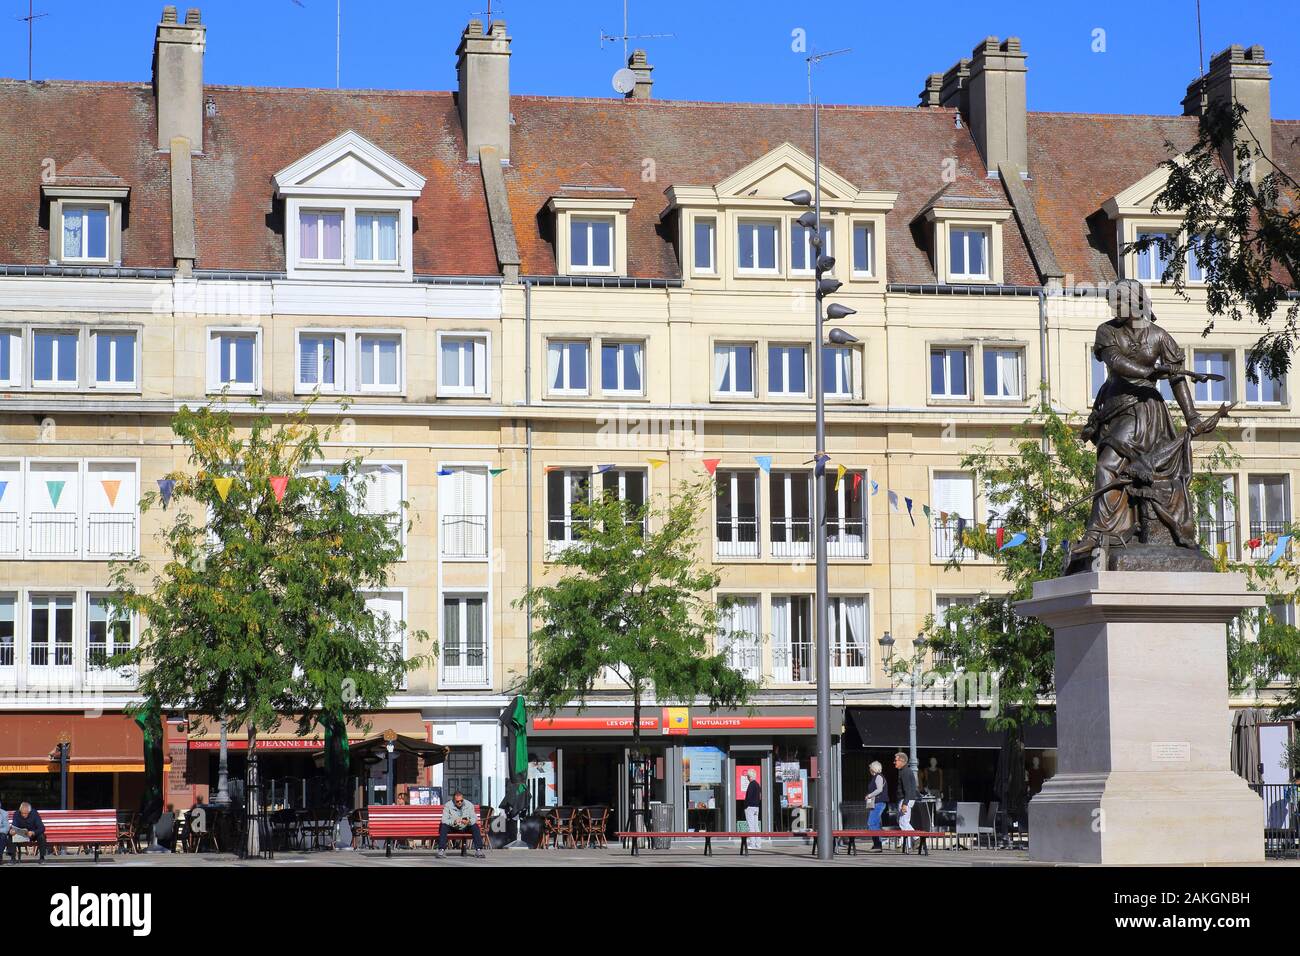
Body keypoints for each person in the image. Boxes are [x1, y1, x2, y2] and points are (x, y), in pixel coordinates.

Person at [437, 790, 484, 859]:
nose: (460, 802)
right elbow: (444, 820)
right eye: (457, 801)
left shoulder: (469, 805)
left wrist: (469, 821)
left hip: (465, 827)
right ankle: (441, 850)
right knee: (443, 826)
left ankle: (479, 850)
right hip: (453, 827)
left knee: (475, 826)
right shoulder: (448, 805)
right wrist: (454, 822)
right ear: (453, 800)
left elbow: (474, 818)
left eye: (461, 801)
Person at [894, 753, 918, 852]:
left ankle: (916, 838)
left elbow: (907, 789)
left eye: (896, 760)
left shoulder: (905, 772)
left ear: (902, 761)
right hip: (907, 799)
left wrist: (905, 803)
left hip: (905, 799)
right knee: (903, 822)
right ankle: (908, 846)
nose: (894, 762)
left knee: (903, 822)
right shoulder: (905, 771)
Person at [865, 761, 887, 851]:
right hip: (877, 803)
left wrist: (869, 795)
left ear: (873, 768)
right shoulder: (876, 777)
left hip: (879, 802)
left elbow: (879, 789)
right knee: (875, 823)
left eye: (870, 768)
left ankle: (878, 845)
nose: (869, 769)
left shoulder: (878, 777)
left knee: (871, 823)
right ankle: (877, 844)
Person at [742, 769, 762, 847]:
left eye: (747, 776)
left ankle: (752, 844)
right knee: (756, 826)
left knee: (751, 826)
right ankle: (758, 844)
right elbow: (759, 797)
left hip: (750, 807)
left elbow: (748, 798)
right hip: (756, 807)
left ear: (749, 776)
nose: (747, 777)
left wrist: (745, 806)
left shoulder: (751, 785)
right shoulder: (757, 784)